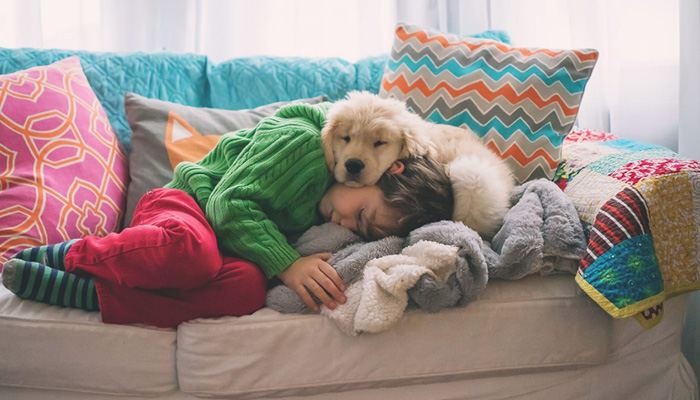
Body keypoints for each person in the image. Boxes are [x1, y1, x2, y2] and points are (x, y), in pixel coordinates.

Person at [1, 102, 453, 328]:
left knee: (245, 289)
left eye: (362, 233)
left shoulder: (356, 195)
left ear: (399, 156)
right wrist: (288, 263)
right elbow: (228, 204)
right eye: (364, 215)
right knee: (192, 252)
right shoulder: (301, 144)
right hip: (186, 206)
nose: (355, 161)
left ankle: (81, 294)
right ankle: (65, 255)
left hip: (223, 242)